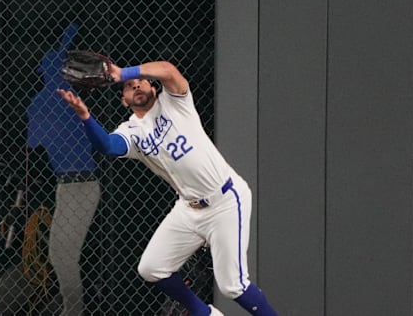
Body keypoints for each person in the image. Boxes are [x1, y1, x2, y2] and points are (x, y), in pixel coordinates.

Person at [57, 60, 278, 316]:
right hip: (188, 208)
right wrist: (85, 117)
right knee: (151, 268)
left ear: (153, 86)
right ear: (124, 101)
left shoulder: (174, 102)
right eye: (129, 87)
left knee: (232, 286)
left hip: (225, 200)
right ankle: (204, 314)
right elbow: (108, 146)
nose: (136, 85)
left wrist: (122, 74)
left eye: (140, 81)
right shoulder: (132, 130)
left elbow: (169, 70)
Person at [27, 26, 101, 316]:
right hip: (68, 184)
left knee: (62, 255)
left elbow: (33, 142)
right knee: (59, 254)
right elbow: (36, 140)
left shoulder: (51, 100)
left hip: (80, 185)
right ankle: (72, 308)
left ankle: (74, 310)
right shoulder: (62, 96)